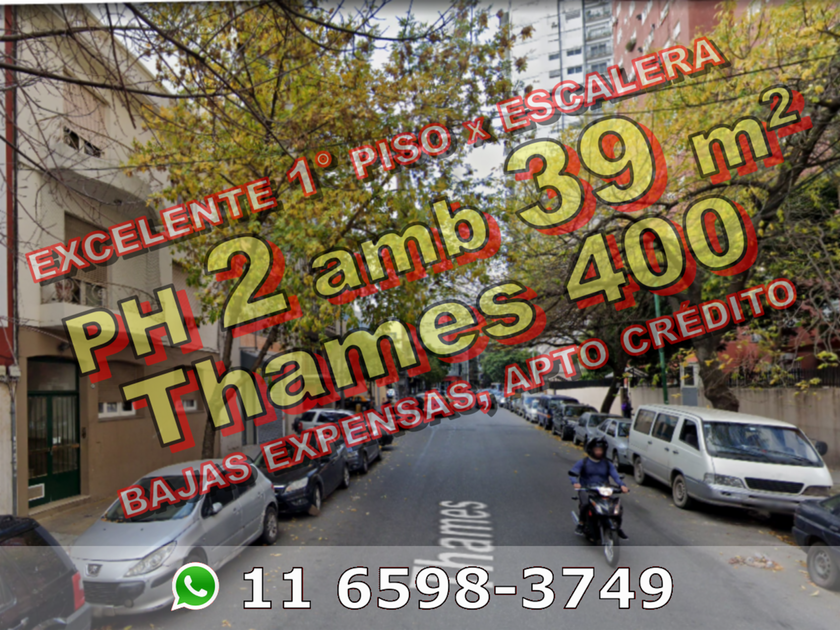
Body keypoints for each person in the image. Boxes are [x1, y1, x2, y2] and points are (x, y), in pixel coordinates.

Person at [570, 437, 629, 537]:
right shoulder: (583, 462)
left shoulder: (607, 464)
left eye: (601, 450)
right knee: (585, 504)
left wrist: (622, 485)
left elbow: (616, 476)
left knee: (616, 506)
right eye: (596, 450)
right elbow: (573, 474)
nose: (599, 452)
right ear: (591, 450)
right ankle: (581, 523)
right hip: (587, 489)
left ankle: (617, 527)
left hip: (603, 489)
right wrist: (575, 482)